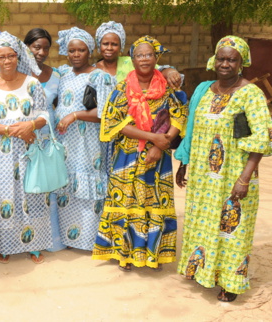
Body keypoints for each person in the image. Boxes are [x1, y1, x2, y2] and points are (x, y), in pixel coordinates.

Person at [175, 36, 272, 302]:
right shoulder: (205, 90)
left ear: (242, 63)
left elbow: (262, 139)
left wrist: (244, 179)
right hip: (203, 178)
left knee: (232, 230)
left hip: (234, 176)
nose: (225, 64)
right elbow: (193, 130)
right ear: (214, 59)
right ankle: (205, 273)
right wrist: (185, 163)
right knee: (202, 224)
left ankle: (230, 282)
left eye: (232, 59)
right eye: (221, 58)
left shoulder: (250, 94)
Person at [92, 36, 187, 271]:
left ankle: (153, 255)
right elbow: (114, 123)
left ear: (157, 59)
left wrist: (160, 144)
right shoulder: (122, 87)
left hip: (159, 157)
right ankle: (125, 254)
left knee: (154, 201)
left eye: (149, 55)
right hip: (127, 156)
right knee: (126, 201)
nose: (144, 59)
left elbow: (179, 114)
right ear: (132, 59)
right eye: (139, 55)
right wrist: (152, 137)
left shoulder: (167, 87)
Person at [0, 31, 51, 264]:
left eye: (11, 56)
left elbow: (44, 115)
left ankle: (34, 245)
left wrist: (31, 125)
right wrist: (11, 131)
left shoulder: (32, 84)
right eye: (1, 57)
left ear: (19, 56)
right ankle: (4, 245)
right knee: (2, 197)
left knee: (32, 194)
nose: (7, 61)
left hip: (29, 149)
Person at [52, 27, 113, 251]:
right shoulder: (63, 74)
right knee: (66, 186)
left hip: (88, 143)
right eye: (71, 50)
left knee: (87, 187)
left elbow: (106, 112)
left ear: (90, 51)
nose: (76, 54)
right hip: (64, 141)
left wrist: (74, 115)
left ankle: (87, 240)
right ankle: (67, 238)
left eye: (81, 50)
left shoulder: (100, 77)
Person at [23, 27, 63, 252]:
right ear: (27, 46)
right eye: (36, 46)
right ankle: (29, 239)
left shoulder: (56, 74)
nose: (41, 52)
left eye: (46, 48)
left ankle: (51, 238)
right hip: (26, 135)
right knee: (28, 185)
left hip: (48, 137)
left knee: (48, 185)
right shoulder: (17, 73)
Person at [94, 21, 182, 88]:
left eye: (114, 44)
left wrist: (171, 73)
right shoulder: (93, 70)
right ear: (99, 46)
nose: (109, 48)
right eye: (105, 44)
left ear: (121, 47)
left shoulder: (131, 62)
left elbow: (159, 70)